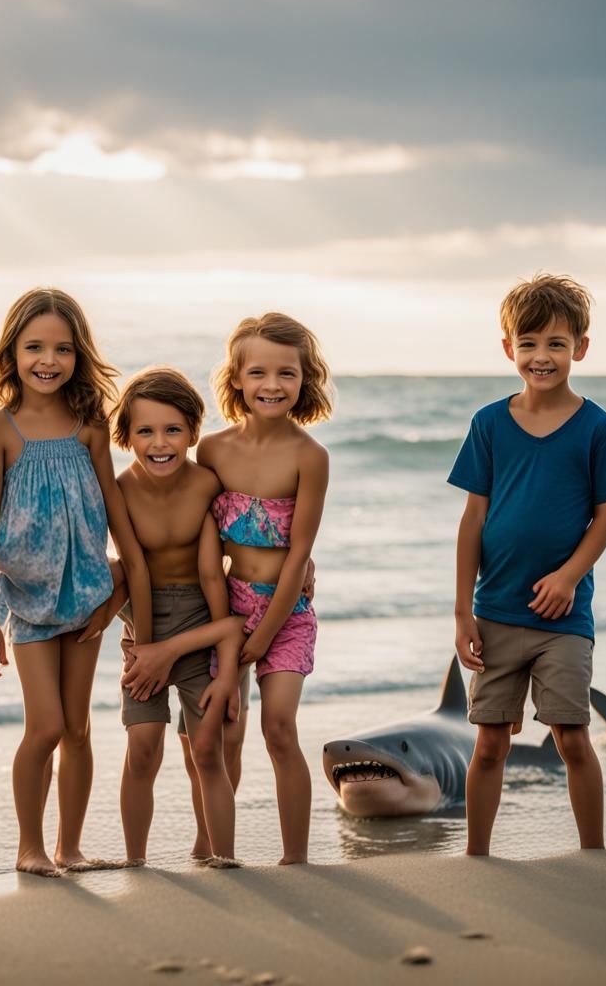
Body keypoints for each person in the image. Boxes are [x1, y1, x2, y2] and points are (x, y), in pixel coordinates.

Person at [449, 274, 606, 856]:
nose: (542, 356)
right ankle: (476, 857)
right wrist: (463, 610)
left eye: (556, 344)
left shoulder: (597, 428)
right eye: (529, 343)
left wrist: (568, 577)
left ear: (580, 348)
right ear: (509, 348)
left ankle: (594, 855)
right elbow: (472, 520)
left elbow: (605, 519)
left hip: (564, 619)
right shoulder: (489, 423)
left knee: (572, 737)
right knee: (488, 745)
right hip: (497, 612)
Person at [0, 286, 152, 877]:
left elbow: (116, 512)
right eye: (34, 347)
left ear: (79, 355)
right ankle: (30, 847)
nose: (49, 360)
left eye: (63, 349)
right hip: (25, 599)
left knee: (77, 727)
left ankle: (68, 848)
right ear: (11, 353)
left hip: (87, 597)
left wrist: (128, 588)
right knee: (44, 725)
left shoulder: (89, 425)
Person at [196, 312, 332, 865]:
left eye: (287, 374)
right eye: (258, 372)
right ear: (236, 378)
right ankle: (213, 847)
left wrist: (265, 632)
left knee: (279, 729)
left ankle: (294, 858)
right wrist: (224, 629)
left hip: (288, 611)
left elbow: (299, 552)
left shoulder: (310, 457)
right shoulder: (211, 451)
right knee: (226, 732)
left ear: (306, 381)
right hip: (228, 606)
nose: (272, 385)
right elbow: (200, 545)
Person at [105, 366, 245, 867]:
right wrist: (144, 649)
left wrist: (222, 653)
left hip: (206, 618)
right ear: (125, 436)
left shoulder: (208, 483)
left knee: (205, 751)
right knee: (143, 746)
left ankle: (218, 854)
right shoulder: (119, 491)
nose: (159, 443)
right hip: (141, 620)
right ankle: (135, 861)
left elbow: (225, 564)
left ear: (192, 431)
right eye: (144, 430)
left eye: (172, 430)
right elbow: (133, 569)